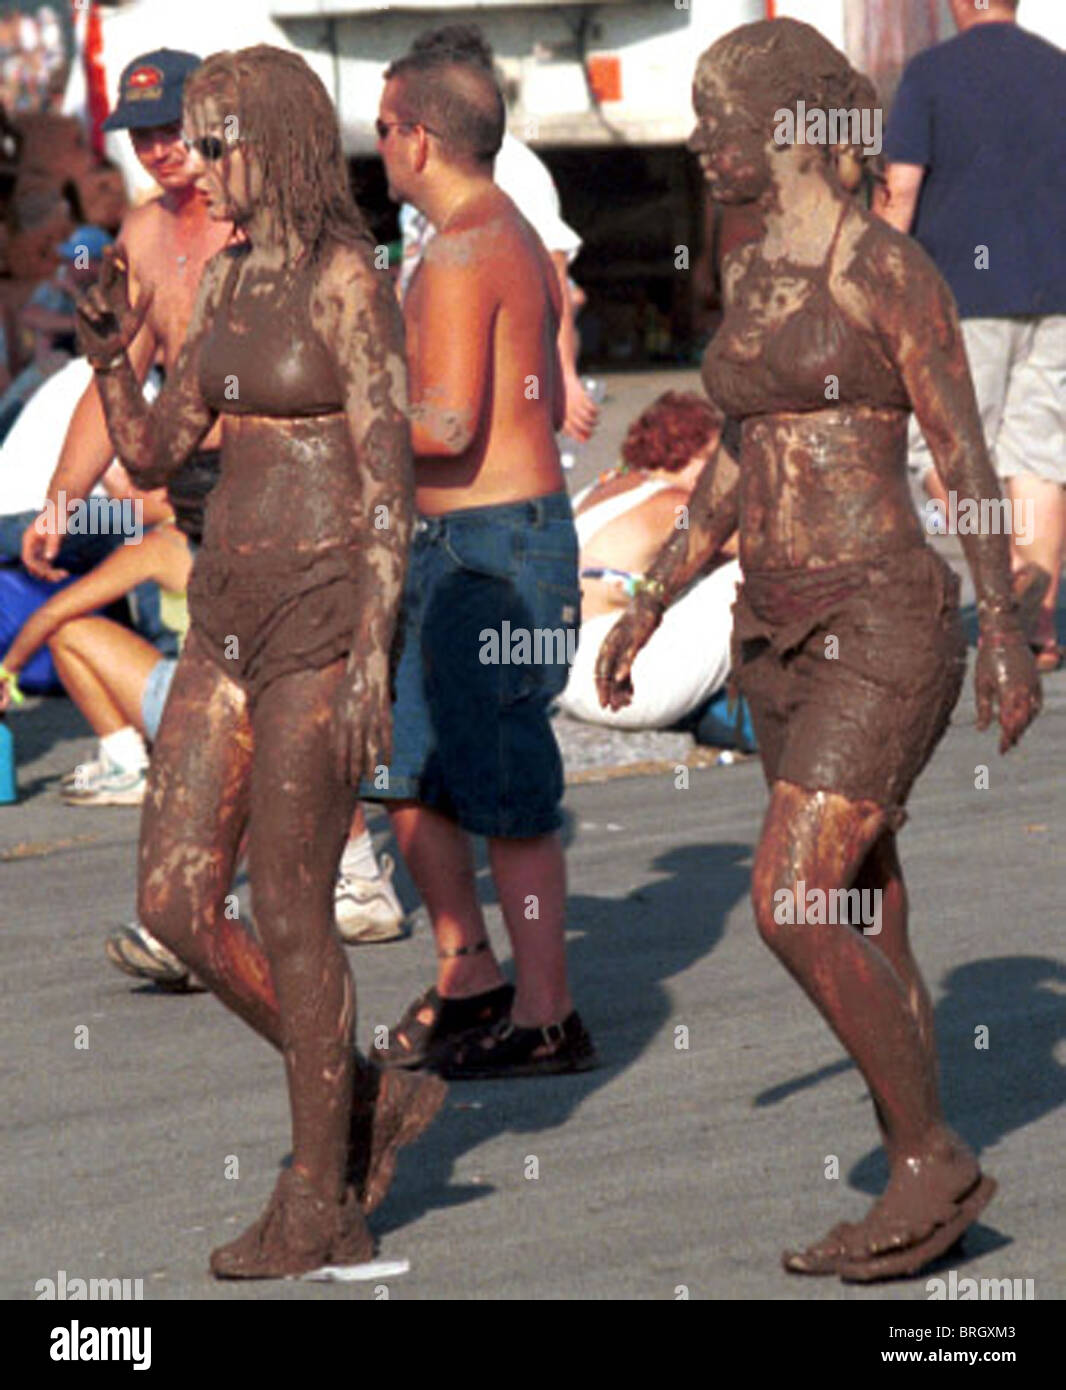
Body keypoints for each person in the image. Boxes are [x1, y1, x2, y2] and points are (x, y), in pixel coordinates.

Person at [597, 18, 1040, 1282]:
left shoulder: (885, 269)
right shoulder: (748, 270)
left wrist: (1000, 626)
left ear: (790, 130)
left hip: (882, 619)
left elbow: (961, 455)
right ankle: (923, 1174)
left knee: (792, 901)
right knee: (859, 904)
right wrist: (649, 596)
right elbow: (737, 454)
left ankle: (928, 1156)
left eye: (717, 122)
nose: (700, 144)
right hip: (771, 630)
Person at [74, 44, 444, 1278]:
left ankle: (319, 1195)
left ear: (274, 144)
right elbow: (152, 449)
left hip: (324, 617)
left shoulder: (350, 281)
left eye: (216, 143)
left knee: (290, 906)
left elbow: (392, 485)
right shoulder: (225, 283)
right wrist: (105, 355)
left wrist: (374, 656)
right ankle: (365, 1092)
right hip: (227, 609)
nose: (199, 169)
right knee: (175, 902)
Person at [362, 45, 595, 1078]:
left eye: (380, 129)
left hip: (494, 546)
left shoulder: (469, 246)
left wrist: (336, 417)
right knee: (401, 766)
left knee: (507, 790)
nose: (377, 149)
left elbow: (447, 419)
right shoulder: (481, 235)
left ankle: (547, 1014)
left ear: (416, 135)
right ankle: (471, 973)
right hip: (456, 543)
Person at [877, 0, 1066, 672]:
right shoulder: (1059, 70)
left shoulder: (929, 74)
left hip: (959, 299)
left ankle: (1004, 580)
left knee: (948, 454)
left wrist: (875, 284)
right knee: (1040, 459)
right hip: (1057, 295)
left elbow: (899, 190)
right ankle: (1040, 631)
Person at [395, 24, 599, 445]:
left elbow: (554, 278)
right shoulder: (423, 170)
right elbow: (411, 270)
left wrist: (563, 380)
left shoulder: (516, 171)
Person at [559, 390, 743, 733]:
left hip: (561, 674)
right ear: (690, 455)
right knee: (746, 570)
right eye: (715, 462)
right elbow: (760, 545)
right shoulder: (675, 504)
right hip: (619, 684)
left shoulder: (608, 484)